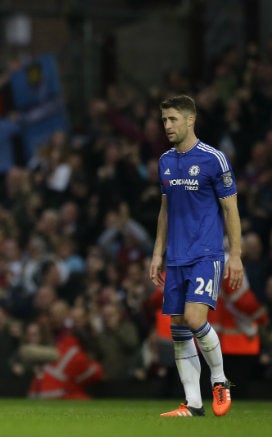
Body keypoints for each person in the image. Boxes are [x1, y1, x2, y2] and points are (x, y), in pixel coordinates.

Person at [149, 94, 242, 418]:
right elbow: (165, 210)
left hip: (206, 252)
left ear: (191, 120)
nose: (167, 126)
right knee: (176, 325)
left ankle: (219, 381)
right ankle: (193, 404)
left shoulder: (213, 159)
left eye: (173, 119)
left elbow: (230, 208)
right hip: (175, 254)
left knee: (194, 319)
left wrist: (236, 256)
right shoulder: (165, 161)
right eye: (164, 120)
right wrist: (157, 252)